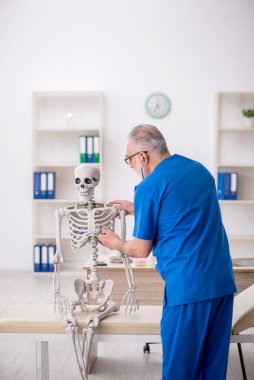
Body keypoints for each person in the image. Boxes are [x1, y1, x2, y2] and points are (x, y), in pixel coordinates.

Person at [98, 124, 236, 380]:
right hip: (222, 285)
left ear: (143, 157)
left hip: (188, 290)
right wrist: (138, 207)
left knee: (179, 372)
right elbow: (184, 211)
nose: (129, 166)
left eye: (128, 159)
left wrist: (116, 243)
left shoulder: (150, 186)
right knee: (212, 371)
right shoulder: (200, 172)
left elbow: (140, 249)